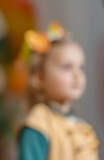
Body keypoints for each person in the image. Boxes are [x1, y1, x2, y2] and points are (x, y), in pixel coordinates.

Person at [17, 22, 99, 160]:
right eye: (66, 67)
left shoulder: (81, 126)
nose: (77, 74)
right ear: (40, 78)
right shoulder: (39, 125)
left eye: (81, 67)